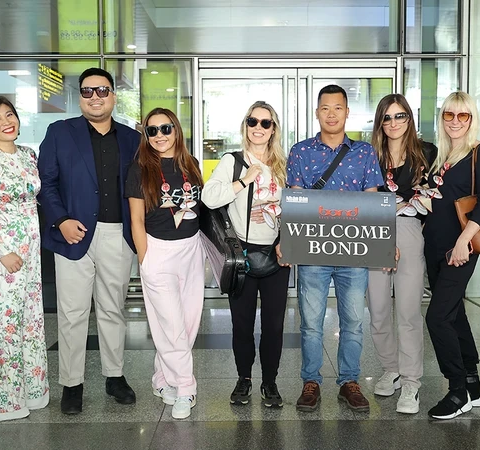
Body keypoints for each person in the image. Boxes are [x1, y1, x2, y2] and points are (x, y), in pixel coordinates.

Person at [38, 67, 139, 414]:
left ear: (113, 95)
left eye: (102, 90)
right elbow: (46, 184)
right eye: (87, 91)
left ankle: (114, 376)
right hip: (72, 235)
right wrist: (61, 220)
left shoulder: (132, 139)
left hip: (117, 235)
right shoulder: (59, 133)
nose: (95, 97)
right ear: (79, 96)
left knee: (113, 309)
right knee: (72, 312)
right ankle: (72, 383)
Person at [287, 84, 383, 413]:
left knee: (353, 321)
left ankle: (349, 382)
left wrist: (386, 241)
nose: (331, 113)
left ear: (346, 112)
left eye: (337, 107)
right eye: (325, 108)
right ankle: (311, 381)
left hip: (354, 252)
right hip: (314, 252)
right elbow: (296, 199)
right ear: (317, 113)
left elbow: (373, 198)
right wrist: (289, 242)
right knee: (311, 322)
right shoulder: (300, 152)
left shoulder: (364, 152)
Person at [203, 101, 291, 408]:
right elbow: (209, 197)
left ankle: (270, 382)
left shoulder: (284, 164)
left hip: (277, 255)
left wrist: (288, 241)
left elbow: (294, 208)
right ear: (246, 125)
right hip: (242, 256)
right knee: (241, 324)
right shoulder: (233, 161)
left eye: (265, 123)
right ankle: (244, 379)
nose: (258, 127)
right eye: (253, 121)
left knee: (274, 325)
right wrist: (243, 181)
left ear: (273, 129)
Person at [0, 96, 49, 422]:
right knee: (4, 328)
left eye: (10, 114)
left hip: (30, 253)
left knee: (31, 324)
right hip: (1, 256)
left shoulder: (29, 156)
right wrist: (3, 252)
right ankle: (6, 403)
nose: (7, 122)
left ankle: (34, 393)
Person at [126, 108, 205, 419]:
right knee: (172, 326)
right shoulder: (139, 170)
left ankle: (162, 378)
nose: (159, 135)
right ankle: (186, 387)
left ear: (176, 130)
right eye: (152, 130)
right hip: (157, 251)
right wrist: (145, 258)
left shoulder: (192, 165)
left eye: (165, 128)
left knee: (186, 324)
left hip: (191, 251)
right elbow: (135, 219)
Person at [423, 91, 480, 420]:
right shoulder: (441, 155)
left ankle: (457, 392)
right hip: (435, 246)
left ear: (472, 118)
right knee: (453, 315)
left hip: (460, 248)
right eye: (449, 115)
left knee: (437, 318)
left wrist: (464, 241)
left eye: (462, 116)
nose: (455, 121)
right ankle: (473, 383)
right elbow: (437, 201)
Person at [367, 94, 437, 414]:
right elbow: (363, 198)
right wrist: (401, 203)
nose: (394, 123)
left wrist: (404, 205)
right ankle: (391, 369)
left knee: (407, 310)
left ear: (409, 118)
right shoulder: (369, 155)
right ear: (380, 122)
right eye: (388, 118)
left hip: (410, 231)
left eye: (400, 116)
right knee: (379, 309)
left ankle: (411, 382)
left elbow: (429, 198)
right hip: (374, 232)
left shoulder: (426, 152)